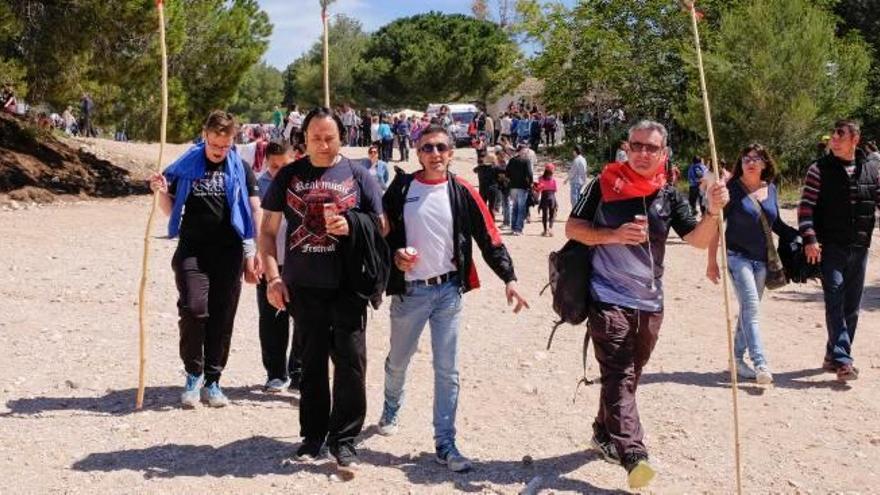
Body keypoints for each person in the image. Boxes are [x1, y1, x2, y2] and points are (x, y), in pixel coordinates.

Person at [566, 120, 729, 490]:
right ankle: (634, 455)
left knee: (628, 376)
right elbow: (573, 228)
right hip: (607, 298)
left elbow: (699, 241)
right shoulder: (602, 185)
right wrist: (612, 235)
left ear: (663, 153)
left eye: (651, 148)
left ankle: (603, 431)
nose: (642, 153)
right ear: (627, 146)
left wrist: (713, 211)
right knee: (619, 373)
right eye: (636, 145)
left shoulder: (668, 196)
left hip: (650, 303)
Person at [378, 124, 529, 472]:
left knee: (447, 370)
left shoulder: (461, 190)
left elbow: (488, 236)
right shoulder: (401, 188)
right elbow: (380, 235)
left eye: (441, 148)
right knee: (398, 361)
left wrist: (509, 277)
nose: (435, 154)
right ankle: (391, 405)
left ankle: (445, 443)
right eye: (428, 148)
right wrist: (394, 256)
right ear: (418, 152)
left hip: (448, 292)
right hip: (411, 292)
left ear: (451, 151)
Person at [260, 107, 387, 470]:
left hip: (348, 285)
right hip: (304, 287)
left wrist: (352, 224)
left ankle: (344, 439)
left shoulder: (360, 176)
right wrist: (273, 277)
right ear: (304, 138)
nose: (323, 143)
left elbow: (381, 226)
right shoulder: (289, 175)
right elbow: (268, 232)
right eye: (315, 136)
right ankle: (313, 436)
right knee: (311, 365)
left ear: (341, 137)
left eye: (330, 137)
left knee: (351, 363)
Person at [148, 110, 261, 408]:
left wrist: (254, 252)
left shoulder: (240, 168)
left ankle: (213, 380)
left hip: (230, 253)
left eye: (225, 146)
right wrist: (160, 190)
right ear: (204, 135)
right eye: (214, 145)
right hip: (193, 250)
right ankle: (192, 373)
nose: (220, 151)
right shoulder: (185, 165)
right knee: (194, 309)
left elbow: (253, 210)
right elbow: (170, 209)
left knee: (222, 317)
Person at [706, 144, 798, 384]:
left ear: (765, 164)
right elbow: (716, 224)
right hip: (737, 258)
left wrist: (803, 237)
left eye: (756, 158)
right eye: (746, 158)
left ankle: (736, 360)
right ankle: (761, 364)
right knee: (753, 311)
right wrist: (711, 261)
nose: (751, 162)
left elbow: (776, 224)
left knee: (749, 310)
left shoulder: (772, 190)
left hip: (762, 260)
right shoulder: (731, 190)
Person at [798, 119, 880, 382]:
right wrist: (810, 239)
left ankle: (833, 355)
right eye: (833, 134)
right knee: (835, 300)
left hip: (860, 246)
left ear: (855, 139)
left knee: (851, 307)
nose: (834, 138)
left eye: (840, 134)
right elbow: (805, 208)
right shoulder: (818, 169)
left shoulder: (872, 169)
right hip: (829, 247)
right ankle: (844, 360)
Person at [255, 142, 304, 393]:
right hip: (271, 259)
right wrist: (254, 254)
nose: (278, 171)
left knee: (303, 318)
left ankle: (298, 371)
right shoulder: (258, 184)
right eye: (273, 166)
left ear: (294, 159)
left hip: (301, 261)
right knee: (271, 318)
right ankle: (275, 373)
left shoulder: (304, 182)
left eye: (283, 166)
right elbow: (255, 224)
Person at [506, 144, 533, 235]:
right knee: (521, 208)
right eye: (525, 150)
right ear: (521, 150)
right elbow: (529, 174)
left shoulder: (512, 160)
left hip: (513, 186)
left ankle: (513, 227)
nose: (526, 152)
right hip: (522, 187)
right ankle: (518, 229)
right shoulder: (526, 161)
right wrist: (531, 183)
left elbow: (507, 173)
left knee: (515, 207)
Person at [537, 163, 559, 237]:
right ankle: (550, 229)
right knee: (552, 214)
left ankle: (545, 231)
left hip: (544, 197)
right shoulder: (553, 180)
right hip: (552, 198)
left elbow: (539, 189)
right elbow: (555, 190)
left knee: (544, 215)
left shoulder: (540, 178)